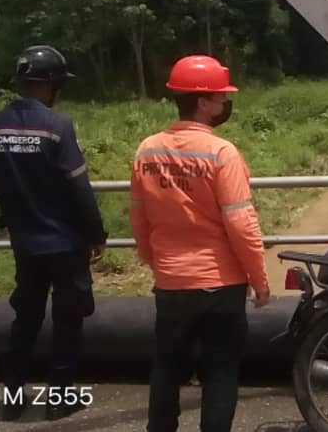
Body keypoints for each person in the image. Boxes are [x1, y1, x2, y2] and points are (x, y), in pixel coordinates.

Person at [130, 54, 270, 432]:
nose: (226, 103)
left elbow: (139, 218)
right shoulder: (221, 153)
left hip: (171, 282)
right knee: (221, 372)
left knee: (167, 366)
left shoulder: (147, 150)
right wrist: (259, 279)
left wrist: (156, 263)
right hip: (221, 285)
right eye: (221, 96)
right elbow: (241, 223)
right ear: (203, 101)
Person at [0, 44, 108, 422]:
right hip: (64, 242)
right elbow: (79, 188)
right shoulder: (58, 126)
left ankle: (12, 396)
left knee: (26, 316)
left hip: (24, 241)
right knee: (68, 318)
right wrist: (96, 233)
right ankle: (60, 398)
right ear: (52, 85)